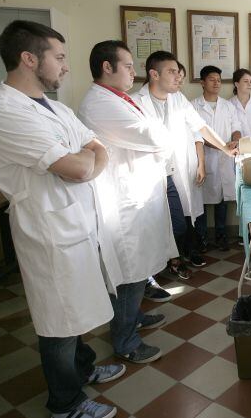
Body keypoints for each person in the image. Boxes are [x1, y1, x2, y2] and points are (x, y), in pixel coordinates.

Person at [0, 21, 122, 418]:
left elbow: (95, 147)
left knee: (75, 310)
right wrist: (85, 161)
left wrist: (86, 159)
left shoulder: (55, 107)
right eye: (58, 58)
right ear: (29, 58)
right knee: (58, 319)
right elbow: (77, 167)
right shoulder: (4, 113)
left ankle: (84, 367)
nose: (65, 67)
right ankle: (66, 403)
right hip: (48, 231)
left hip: (75, 224)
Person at [79, 40, 177, 364]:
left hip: (137, 195)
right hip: (122, 203)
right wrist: (160, 137)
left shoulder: (116, 98)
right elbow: (152, 135)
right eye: (128, 66)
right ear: (107, 67)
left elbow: (152, 132)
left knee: (140, 267)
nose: (134, 72)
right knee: (130, 272)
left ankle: (133, 318)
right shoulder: (99, 104)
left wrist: (158, 136)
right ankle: (125, 340)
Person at [132, 51, 237, 278]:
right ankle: (160, 266)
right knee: (158, 223)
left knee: (180, 222)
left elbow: (200, 127)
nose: (178, 77)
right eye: (172, 72)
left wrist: (225, 148)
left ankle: (175, 258)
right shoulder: (135, 102)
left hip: (177, 169)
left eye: (179, 73)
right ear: (154, 74)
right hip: (150, 173)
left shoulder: (178, 99)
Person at [192, 65, 242, 251]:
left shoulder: (228, 106)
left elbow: (236, 127)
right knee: (202, 201)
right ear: (202, 82)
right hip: (203, 158)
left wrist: (234, 141)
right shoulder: (193, 106)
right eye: (212, 79)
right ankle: (202, 238)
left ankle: (221, 236)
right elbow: (197, 134)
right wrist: (222, 147)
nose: (216, 83)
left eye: (219, 80)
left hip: (225, 159)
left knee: (222, 199)